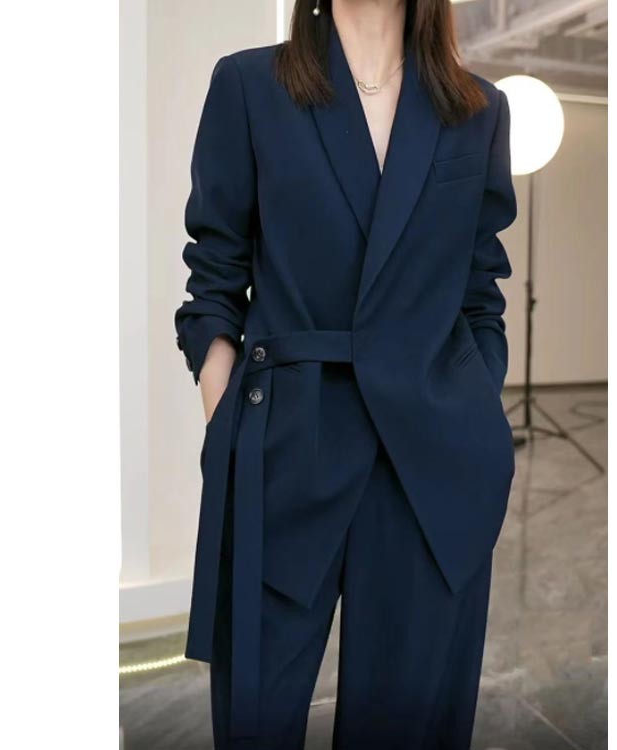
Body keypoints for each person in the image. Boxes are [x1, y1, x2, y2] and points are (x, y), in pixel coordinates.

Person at [174, 0, 518, 747]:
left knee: (407, 727)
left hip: (430, 459)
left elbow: (479, 291)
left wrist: (473, 406)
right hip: (285, 445)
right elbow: (214, 282)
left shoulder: (477, 108)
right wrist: (230, 423)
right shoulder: (250, 85)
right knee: (256, 718)